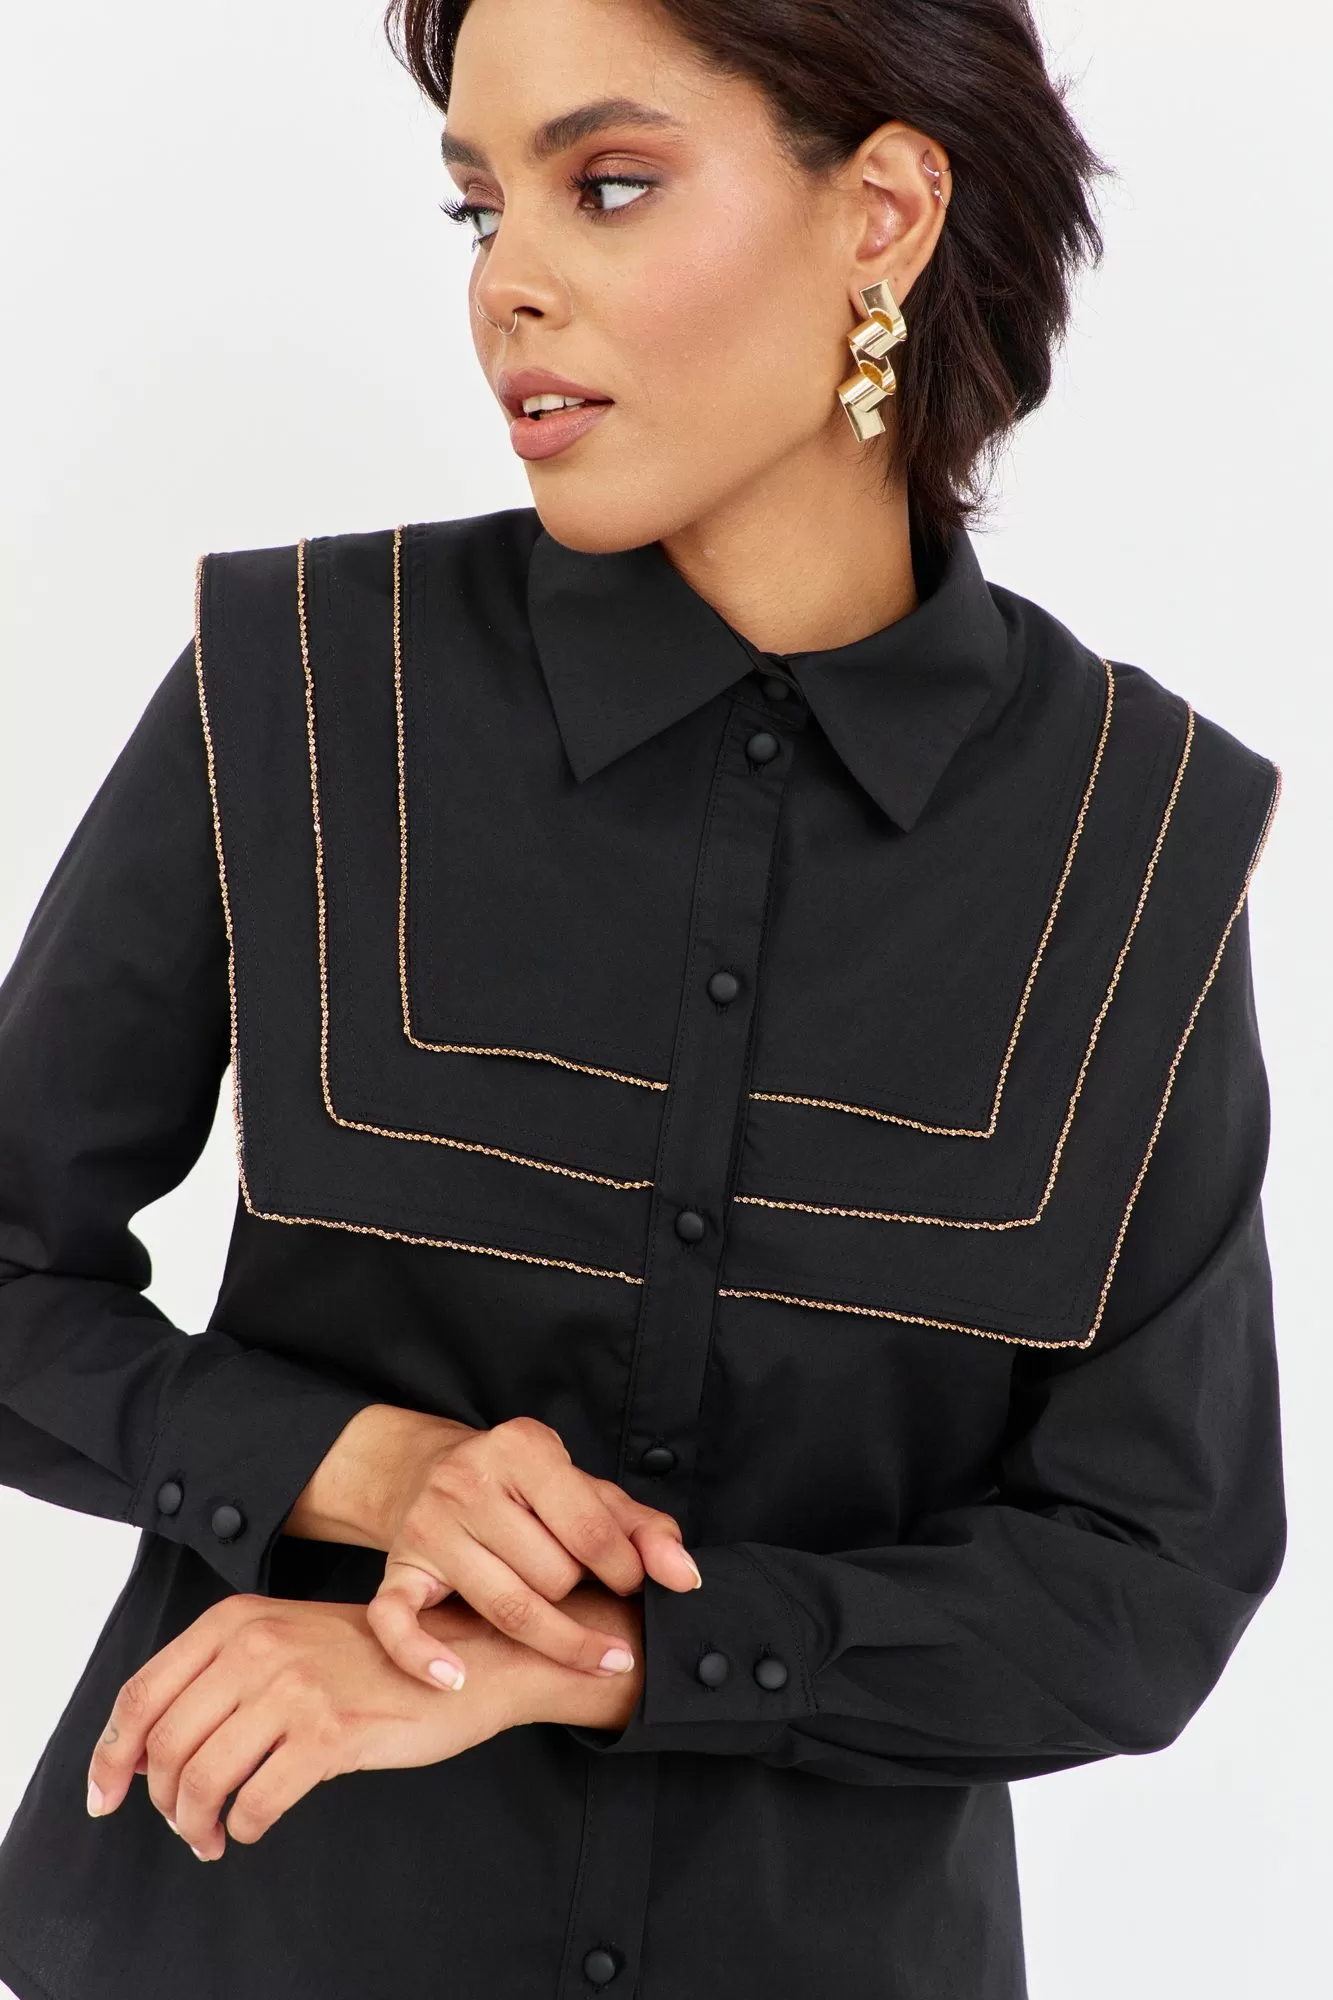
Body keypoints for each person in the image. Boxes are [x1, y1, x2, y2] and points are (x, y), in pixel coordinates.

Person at [0, 0, 1286, 1995]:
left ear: (883, 213)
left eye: (607, 185)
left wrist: (599, 1657)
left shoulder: (1129, 838)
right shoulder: (312, 691)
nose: (507, 282)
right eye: (477, 207)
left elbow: (1147, 1580)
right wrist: (375, 1467)